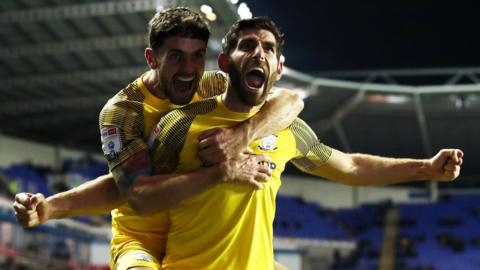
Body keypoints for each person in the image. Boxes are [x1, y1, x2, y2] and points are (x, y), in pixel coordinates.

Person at [147, 17, 463, 269]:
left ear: (279, 68)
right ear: (226, 63)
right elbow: (139, 197)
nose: (259, 53)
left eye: (269, 48)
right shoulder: (181, 123)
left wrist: (426, 168)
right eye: (247, 45)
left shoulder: (289, 129)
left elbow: (351, 166)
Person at [13, 8, 303, 270]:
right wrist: (51, 208)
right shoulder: (125, 111)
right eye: (176, 56)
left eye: (197, 56)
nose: (189, 69)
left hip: (198, 239)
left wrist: (242, 136)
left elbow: (291, 101)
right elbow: (133, 192)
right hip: (142, 241)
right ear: (152, 58)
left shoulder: (214, 84)